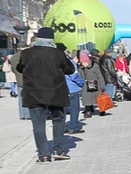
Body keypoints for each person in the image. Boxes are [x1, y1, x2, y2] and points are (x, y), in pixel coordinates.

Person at [16, 27, 76, 163]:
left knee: (38, 125)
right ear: (51, 39)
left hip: (33, 94)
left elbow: (20, 68)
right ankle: (58, 150)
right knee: (58, 120)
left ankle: (43, 155)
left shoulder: (26, 53)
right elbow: (70, 69)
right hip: (56, 93)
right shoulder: (58, 54)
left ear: (38, 38)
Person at [58, 45, 85, 134]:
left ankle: (61, 127)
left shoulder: (56, 62)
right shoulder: (69, 63)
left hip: (61, 89)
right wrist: (82, 84)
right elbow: (75, 76)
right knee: (74, 109)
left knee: (63, 110)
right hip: (72, 89)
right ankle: (73, 127)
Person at [79, 51, 105, 118]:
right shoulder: (81, 68)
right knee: (86, 98)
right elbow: (80, 77)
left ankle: (102, 110)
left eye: (84, 62)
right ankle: (88, 111)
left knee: (99, 98)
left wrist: (102, 86)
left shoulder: (95, 66)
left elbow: (100, 76)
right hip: (86, 84)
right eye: (81, 62)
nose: (82, 64)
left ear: (87, 61)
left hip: (96, 84)